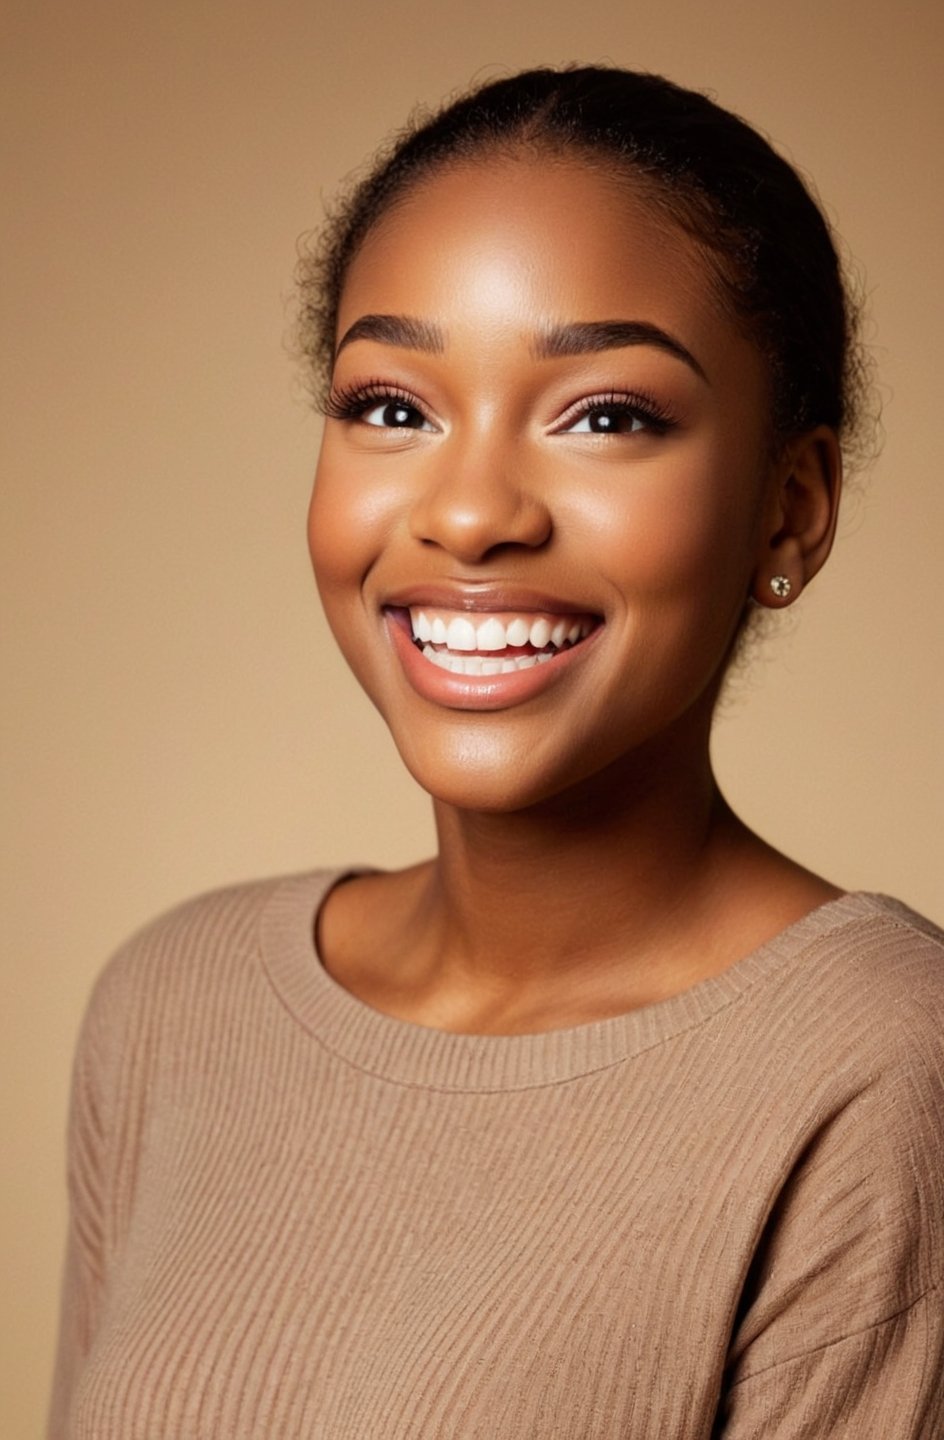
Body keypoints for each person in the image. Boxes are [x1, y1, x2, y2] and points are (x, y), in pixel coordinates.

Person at [49, 66, 943, 1438]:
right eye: (392, 408)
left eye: (607, 415)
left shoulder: (876, 1067)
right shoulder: (175, 1006)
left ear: (791, 508)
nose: (468, 515)